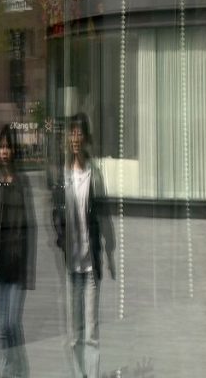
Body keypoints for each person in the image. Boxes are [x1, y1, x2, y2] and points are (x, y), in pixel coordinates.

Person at [52, 113, 115, 378]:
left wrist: (110, 254)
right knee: (73, 335)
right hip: (71, 265)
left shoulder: (94, 174)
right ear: (67, 138)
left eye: (79, 133)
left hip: (90, 266)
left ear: (86, 138)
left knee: (91, 333)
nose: (75, 138)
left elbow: (104, 214)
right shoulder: (62, 174)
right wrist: (59, 234)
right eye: (72, 133)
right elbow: (55, 213)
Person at [0, 125, 35, 378]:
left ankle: (18, 369)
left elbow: (30, 227)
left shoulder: (23, 183)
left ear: (14, 151)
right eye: (1, 146)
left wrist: (28, 272)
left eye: (8, 146)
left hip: (17, 265)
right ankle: (10, 370)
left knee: (12, 323)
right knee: (3, 327)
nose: (4, 151)